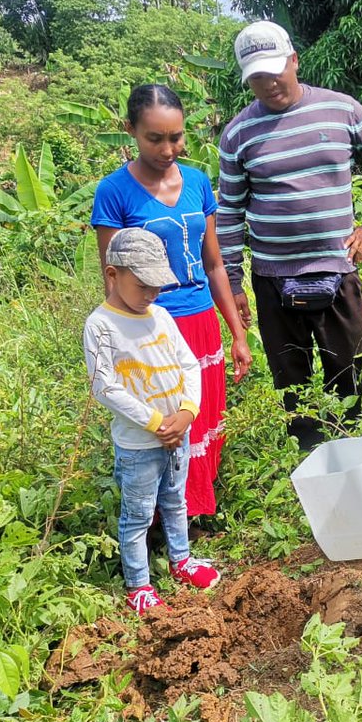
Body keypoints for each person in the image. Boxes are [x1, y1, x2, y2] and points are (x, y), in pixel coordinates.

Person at [215, 21, 362, 451]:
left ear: (294, 61)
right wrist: (233, 283)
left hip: (337, 271)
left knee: (351, 367)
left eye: (274, 71)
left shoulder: (342, 110)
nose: (268, 83)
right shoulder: (237, 134)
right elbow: (228, 211)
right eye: (256, 77)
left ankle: (355, 449)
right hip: (272, 278)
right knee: (292, 382)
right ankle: (308, 461)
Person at [91, 84, 251, 522]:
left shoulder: (198, 182)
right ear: (130, 132)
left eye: (176, 137)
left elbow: (214, 264)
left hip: (201, 321)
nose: (168, 148)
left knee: (203, 423)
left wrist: (237, 333)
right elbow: (112, 276)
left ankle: (196, 514)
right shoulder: (114, 191)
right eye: (154, 138)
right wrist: (122, 343)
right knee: (163, 429)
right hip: (151, 328)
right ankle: (161, 522)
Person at [83, 228, 225, 616]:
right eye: (143, 284)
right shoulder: (101, 326)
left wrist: (186, 413)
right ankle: (138, 586)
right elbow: (105, 387)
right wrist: (157, 422)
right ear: (113, 275)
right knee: (138, 514)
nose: (151, 294)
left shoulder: (161, 316)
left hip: (178, 434)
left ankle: (182, 560)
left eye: (157, 286)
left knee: (176, 501)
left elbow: (188, 364)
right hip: (139, 445)